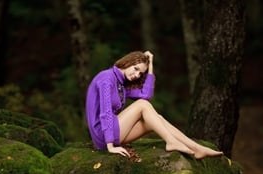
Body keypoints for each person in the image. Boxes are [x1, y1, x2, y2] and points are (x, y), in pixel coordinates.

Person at [85, 50, 223, 159]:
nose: (137, 75)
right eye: (136, 68)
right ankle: (171, 141)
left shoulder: (121, 84)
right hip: (102, 136)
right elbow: (105, 113)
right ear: (128, 62)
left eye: (140, 73)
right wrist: (110, 146)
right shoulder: (107, 78)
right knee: (142, 105)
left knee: (157, 119)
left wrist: (150, 66)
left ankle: (197, 149)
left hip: (111, 134)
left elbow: (146, 94)